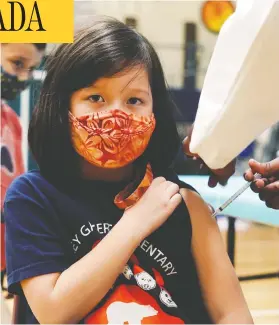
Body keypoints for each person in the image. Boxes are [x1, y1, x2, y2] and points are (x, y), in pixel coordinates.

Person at [4, 18, 252, 324]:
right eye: (95, 98)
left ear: (154, 113)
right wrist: (135, 222)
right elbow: (55, 311)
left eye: (135, 100)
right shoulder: (33, 198)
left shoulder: (183, 202)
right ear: (61, 108)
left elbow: (232, 313)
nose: (116, 115)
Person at [1, 43, 46, 297]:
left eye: (30, 70)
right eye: (17, 63)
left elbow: (14, 200)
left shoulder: (13, 123)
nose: (23, 77)